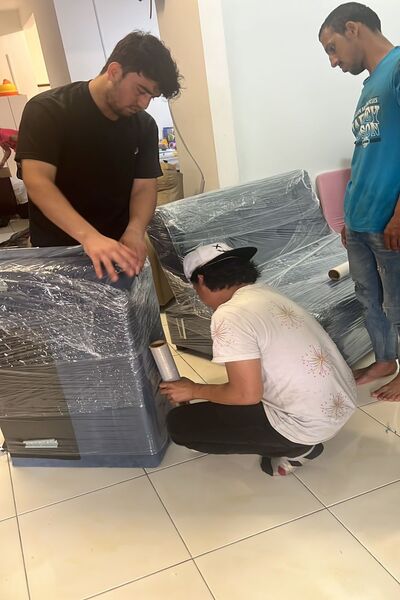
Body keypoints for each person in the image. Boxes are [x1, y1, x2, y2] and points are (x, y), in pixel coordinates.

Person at [160, 243, 356, 476]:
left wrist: (193, 390)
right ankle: (301, 437)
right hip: (341, 403)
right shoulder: (266, 292)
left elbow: (246, 395)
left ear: (201, 280)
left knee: (180, 424)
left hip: (307, 424)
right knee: (229, 395)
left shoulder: (229, 314)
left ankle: (298, 447)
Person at [16, 31, 181, 282]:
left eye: (152, 97)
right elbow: (38, 181)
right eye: (140, 91)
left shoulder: (144, 126)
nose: (144, 103)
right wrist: (89, 237)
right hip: (58, 252)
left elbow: (144, 186)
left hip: (118, 251)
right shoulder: (48, 110)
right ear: (114, 71)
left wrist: (135, 230)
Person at [319, 3, 400, 401]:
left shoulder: (397, 68)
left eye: (332, 48)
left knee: (398, 302)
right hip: (361, 219)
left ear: (352, 28)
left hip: (389, 219)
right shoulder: (369, 86)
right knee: (369, 300)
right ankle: (385, 360)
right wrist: (348, 216)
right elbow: (366, 152)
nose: (333, 62)